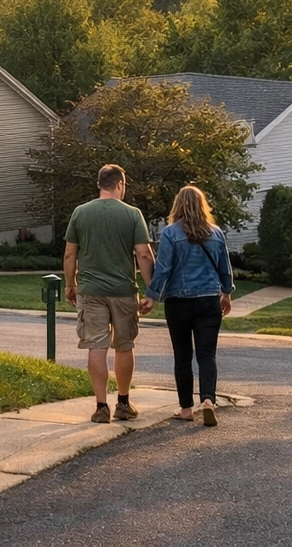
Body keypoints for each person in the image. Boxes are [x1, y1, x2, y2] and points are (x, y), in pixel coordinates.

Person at [64, 164, 155, 423]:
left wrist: (70, 285)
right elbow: (143, 254)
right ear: (120, 184)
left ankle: (101, 406)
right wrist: (151, 290)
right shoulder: (132, 214)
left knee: (96, 345)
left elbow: (70, 254)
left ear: (99, 184)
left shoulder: (80, 213)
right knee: (124, 346)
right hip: (123, 291)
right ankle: (123, 403)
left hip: (90, 291)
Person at [140, 184, 235, 426]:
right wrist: (226, 294)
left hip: (178, 302)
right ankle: (208, 400)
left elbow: (163, 268)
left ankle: (186, 409)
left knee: (182, 355)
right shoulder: (216, 233)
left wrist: (151, 295)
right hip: (209, 300)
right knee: (207, 354)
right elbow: (225, 267)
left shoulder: (170, 234)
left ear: (178, 206)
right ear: (202, 206)